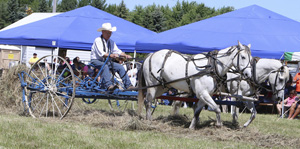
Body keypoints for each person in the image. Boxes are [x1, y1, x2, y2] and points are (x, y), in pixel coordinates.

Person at [90, 22, 133, 91]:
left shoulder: (111, 42)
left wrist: (125, 55)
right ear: (103, 32)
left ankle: (128, 85)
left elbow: (118, 51)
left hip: (106, 62)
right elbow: (102, 53)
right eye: (108, 33)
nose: (109, 35)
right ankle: (108, 85)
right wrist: (111, 55)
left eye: (110, 33)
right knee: (105, 66)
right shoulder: (97, 40)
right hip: (96, 60)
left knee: (120, 67)